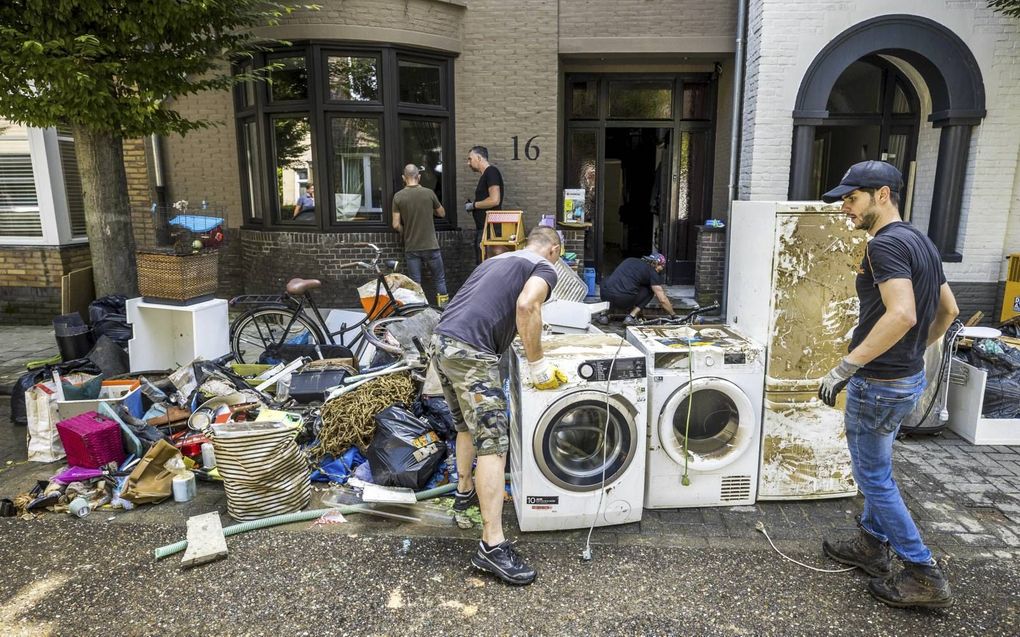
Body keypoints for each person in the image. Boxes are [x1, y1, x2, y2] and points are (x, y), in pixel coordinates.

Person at [817, 160, 959, 609]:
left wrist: (845, 367)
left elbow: (902, 315)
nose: (845, 208)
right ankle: (871, 547)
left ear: (882, 194)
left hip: (878, 383)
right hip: (904, 378)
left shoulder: (884, 246)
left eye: (852, 198)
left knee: (874, 479)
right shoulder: (922, 241)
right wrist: (913, 353)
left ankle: (923, 573)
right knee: (879, 469)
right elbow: (948, 311)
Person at [431, 226, 565, 586]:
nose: (558, 262)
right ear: (553, 249)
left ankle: (463, 494)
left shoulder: (498, 259)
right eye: (560, 255)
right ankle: (491, 546)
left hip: (443, 343)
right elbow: (526, 305)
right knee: (494, 445)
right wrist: (537, 364)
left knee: (465, 426)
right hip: (472, 353)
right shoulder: (544, 265)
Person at [392, 164, 449, 307]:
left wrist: (407, 232)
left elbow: (395, 225)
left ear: (404, 178)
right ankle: (444, 311)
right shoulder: (429, 193)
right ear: (419, 177)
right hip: (431, 245)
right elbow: (442, 213)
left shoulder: (398, 197)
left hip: (412, 247)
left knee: (415, 283)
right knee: (440, 280)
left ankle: (418, 312)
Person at [598, 253, 675, 325]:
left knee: (609, 282)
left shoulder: (630, 260)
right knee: (650, 291)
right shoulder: (652, 273)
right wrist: (673, 315)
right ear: (655, 264)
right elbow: (662, 299)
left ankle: (604, 314)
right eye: (661, 267)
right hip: (624, 299)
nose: (661, 269)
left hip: (605, 295)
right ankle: (631, 317)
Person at [465, 146, 504, 264]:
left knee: (486, 267)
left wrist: (474, 205)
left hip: (489, 231)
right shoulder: (486, 174)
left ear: (479, 157)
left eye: (470, 159)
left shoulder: (491, 172)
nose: (468, 163)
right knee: (482, 265)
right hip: (484, 229)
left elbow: (494, 200)